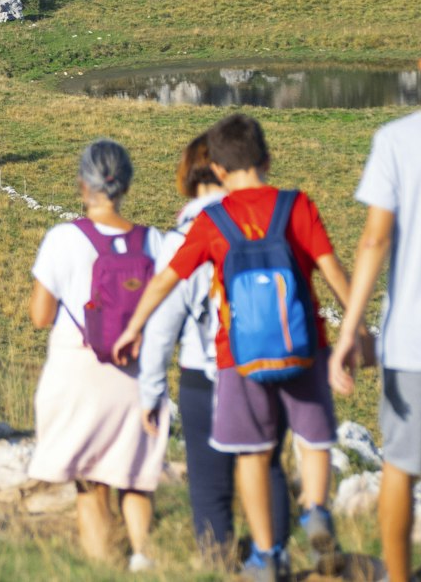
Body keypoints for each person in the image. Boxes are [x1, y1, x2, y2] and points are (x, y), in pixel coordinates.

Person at [113, 113, 355, 582]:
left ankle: (264, 556)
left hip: (235, 357)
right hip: (303, 347)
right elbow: (332, 269)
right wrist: (355, 330)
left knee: (251, 454)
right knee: (312, 438)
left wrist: (135, 326)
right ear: (267, 158)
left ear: (218, 170)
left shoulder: (211, 222)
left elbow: (168, 280)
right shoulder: (297, 206)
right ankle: (317, 510)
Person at [138, 134, 291, 563]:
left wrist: (150, 392)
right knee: (269, 470)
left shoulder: (186, 234)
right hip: (269, 367)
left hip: (204, 374)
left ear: (188, 173)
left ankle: (218, 566)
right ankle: (274, 560)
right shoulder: (266, 221)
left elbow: (162, 326)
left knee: (211, 490)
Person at [28, 138, 169, 573]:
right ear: (125, 184)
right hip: (136, 371)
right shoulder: (154, 241)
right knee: (134, 477)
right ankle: (143, 557)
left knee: (90, 480)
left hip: (80, 370)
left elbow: (39, 316)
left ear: (81, 185)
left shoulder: (62, 239)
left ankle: (101, 566)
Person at [329, 22, 421, 582]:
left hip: (413, 337)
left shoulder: (396, 140)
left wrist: (350, 331)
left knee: (401, 464)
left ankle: (396, 576)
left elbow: (373, 240)